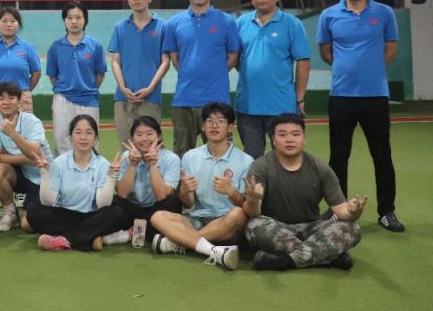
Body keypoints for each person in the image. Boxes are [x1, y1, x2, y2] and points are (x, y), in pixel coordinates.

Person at [317, 0, 403, 232]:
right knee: (339, 156)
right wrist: (348, 69)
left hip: (375, 96)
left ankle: (387, 212)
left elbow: (390, 49)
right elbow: (326, 52)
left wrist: (371, 71)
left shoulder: (384, 13)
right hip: (341, 96)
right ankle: (337, 209)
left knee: (382, 155)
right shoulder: (329, 15)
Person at [244, 113, 367, 271]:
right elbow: (253, 213)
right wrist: (253, 199)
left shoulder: (320, 168)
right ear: (273, 139)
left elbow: (341, 211)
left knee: (352, 229)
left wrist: (354, 211)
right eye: (282, 135)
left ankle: (285, 261)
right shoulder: (260, 166)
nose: (289, 139)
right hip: (276, 228)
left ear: (304, 138)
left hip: (312, 228)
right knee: (254, 225)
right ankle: (327, 255)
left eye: (295, 134)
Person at [149, 103, 248, 271]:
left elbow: (246, 207)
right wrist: (185, 190)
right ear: (203, 126)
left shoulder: (245, 160)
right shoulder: (190, 156)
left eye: (220, 121)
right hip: (199, 218)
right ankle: (213, 250)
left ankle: (181, 242)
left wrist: (231, 192)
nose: (214, 125)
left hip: (227, 223)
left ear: (230, 126)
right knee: (157, 217)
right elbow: (188, 204)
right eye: (209, 121)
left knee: (238, 214)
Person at [163, 0, 240, 157]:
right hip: (183, 101)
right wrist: (190, 72)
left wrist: (216, 72)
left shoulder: (227, 21)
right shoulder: (174, 23)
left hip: (217, 101)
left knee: (221, 154)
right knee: (181, 155)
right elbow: (175, 58)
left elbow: (233, 56)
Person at [235, 0, 310, 160]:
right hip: (247, 106)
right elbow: (235, 59)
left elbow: (303, 61)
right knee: (252, 158)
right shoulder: (240, 23)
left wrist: (299, 98)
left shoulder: (292, 24)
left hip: (282, 106)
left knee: (284, 156)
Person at [27, 115, 127, 252]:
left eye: (89, 133)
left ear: (96, 138)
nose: (83, 137)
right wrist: (45, 174)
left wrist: (111, 177)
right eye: (78, 132)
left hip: (90, 215)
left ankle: (64, 240)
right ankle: (88, 237)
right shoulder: (59, 163)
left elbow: (102, 204)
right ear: (71, 138)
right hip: (63, 215)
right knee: (33, 212)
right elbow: (48, 202)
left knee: (116, 213)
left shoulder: (103, 165)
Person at [108, 0, 170, 145]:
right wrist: (122, 87)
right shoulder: (120, 27)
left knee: (151, 147)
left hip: (151, 97)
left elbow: (165, 61)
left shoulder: (163, 26)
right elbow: (115, 61)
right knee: (127, 147)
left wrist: (150, 88)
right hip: (123, 97)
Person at [0, 82, 51, 233]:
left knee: (28, 225)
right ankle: (10, 212)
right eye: (1, 99)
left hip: (43, 177)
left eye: (11, 98)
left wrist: (12, 133)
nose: (6, 102)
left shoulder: (32, 121)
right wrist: (28, 159)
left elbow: (34, 151)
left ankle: (26, 212)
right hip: (21, 173)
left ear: (19, 100)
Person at [47, 1, 107, 154]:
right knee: (61, 139)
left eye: (78, 17)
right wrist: (65, 90)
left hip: (89, 100)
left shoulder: (95, 45)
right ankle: (63, 169)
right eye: (69, 17)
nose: (74, 21)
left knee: (88, 138)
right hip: (62, 99)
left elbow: (100, 74)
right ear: (64, 20)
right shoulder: (56, 47)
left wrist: (87, 89)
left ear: (85, 19)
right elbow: (52, 76)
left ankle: (91, 168)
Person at [114, 116, 183, 246]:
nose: (145, 139)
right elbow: (122, 194)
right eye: (139, 135)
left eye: (150, 134)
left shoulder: (171, 158)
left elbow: (161, 196)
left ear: (159, 137)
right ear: (132, 139)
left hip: (158, 211)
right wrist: (132, 165)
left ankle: (132, 232)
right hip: (135, 209)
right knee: (114, 201)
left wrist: (152, 165)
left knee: (173, 201)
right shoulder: (127, 157)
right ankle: (148, 232)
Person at [0, 7, 41, 117]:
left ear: (18, 24)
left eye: (13, 21)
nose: (9, 24)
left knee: (24, 128)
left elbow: (36, 73)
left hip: (22, 98)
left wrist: (24, 91)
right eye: (4, 21)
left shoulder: (28, 48)